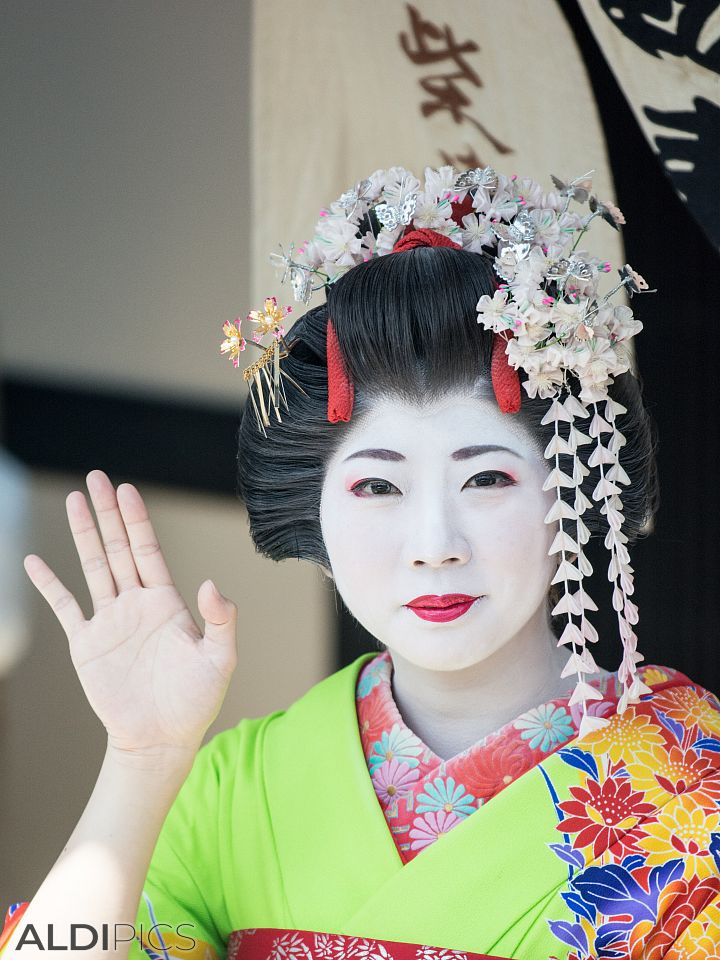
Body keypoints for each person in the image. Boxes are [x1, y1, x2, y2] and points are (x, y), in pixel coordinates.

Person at [3, 164, 720, 960]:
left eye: (486, 478)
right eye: (378, 485)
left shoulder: (697, 796)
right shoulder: (240, 787)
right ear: (315, 508)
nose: (433, 543)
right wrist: (140, 761)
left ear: (573, 490)